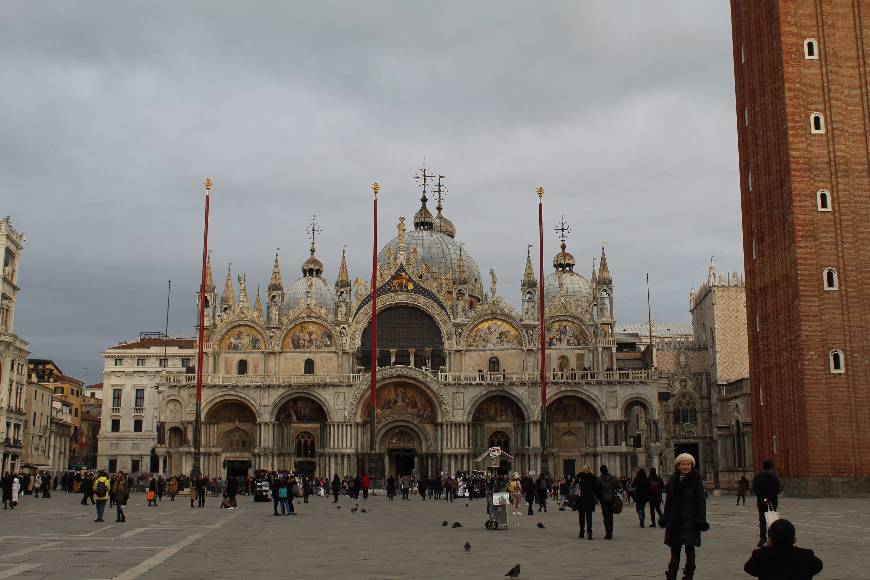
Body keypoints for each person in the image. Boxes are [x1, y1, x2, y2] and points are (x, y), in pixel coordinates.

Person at [662, 453, 708, 580]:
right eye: (683, 464)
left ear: (692, 466)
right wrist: (665, 517)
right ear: (678, 465)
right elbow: (669, 501)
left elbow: (701, 501)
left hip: (691, 520)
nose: (686, 466)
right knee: (674, 551)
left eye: (688, 464)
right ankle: (671, 576)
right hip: (675, 521)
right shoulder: (672, 480)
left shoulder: (696, 479)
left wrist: (701, 520)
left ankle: (688, 576)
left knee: (690, 550)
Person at [744, 518, 823, 579]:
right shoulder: (807, 555)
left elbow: (749, 569)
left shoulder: (760, 555)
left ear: (771, 538)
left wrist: (766, 548)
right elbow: (818, 567)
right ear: (793, 539)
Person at [752, 459, 781, 548]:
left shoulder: (758, 477)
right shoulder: (775, 478)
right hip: (772, 502)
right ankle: (771, 539)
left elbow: (755, 490)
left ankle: (762, 538)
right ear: (771, 467)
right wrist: (768, 498)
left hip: (761, 502)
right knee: (772, 521)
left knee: (762, 520)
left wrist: (763, 499)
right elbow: (777, 490)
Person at [574, 465, 598, 540]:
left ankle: (581, 532)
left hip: (581, 498)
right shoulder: (593, 477)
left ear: (582, 469)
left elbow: (573, 486)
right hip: (589, 498)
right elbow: (595, 489)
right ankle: (589, 533)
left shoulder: (579, 476)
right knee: (589, 516)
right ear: (590, 469)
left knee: (581, 516)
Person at [597, 465, 618, 540]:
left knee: (605, 516)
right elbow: (619, 486)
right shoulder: (613, 478)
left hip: (603, 499)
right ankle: (611, 531)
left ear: (601, 471)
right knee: (610, 515)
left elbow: (597, 490)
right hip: (611, 498)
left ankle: (608, 532)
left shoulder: (599, 479)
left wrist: (599, 497)